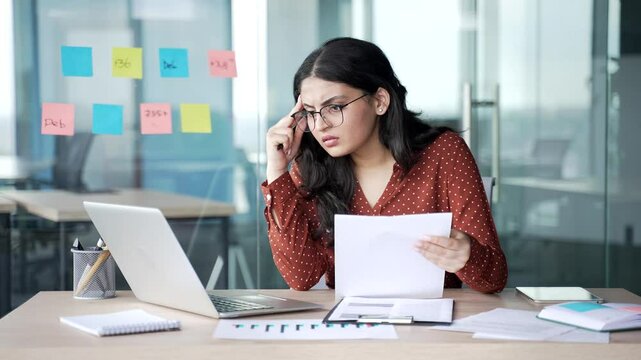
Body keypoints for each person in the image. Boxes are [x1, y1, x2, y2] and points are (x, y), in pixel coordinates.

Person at [261, 37, 507, 294]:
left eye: (334, 107)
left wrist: (466, 255)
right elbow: (301, 277)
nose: (320, 124)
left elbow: (494, 278)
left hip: (431, 325)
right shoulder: (312, 167)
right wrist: (277, 173)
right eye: (310, 112)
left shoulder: (444, 153)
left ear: (379, 101)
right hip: (347, 324)